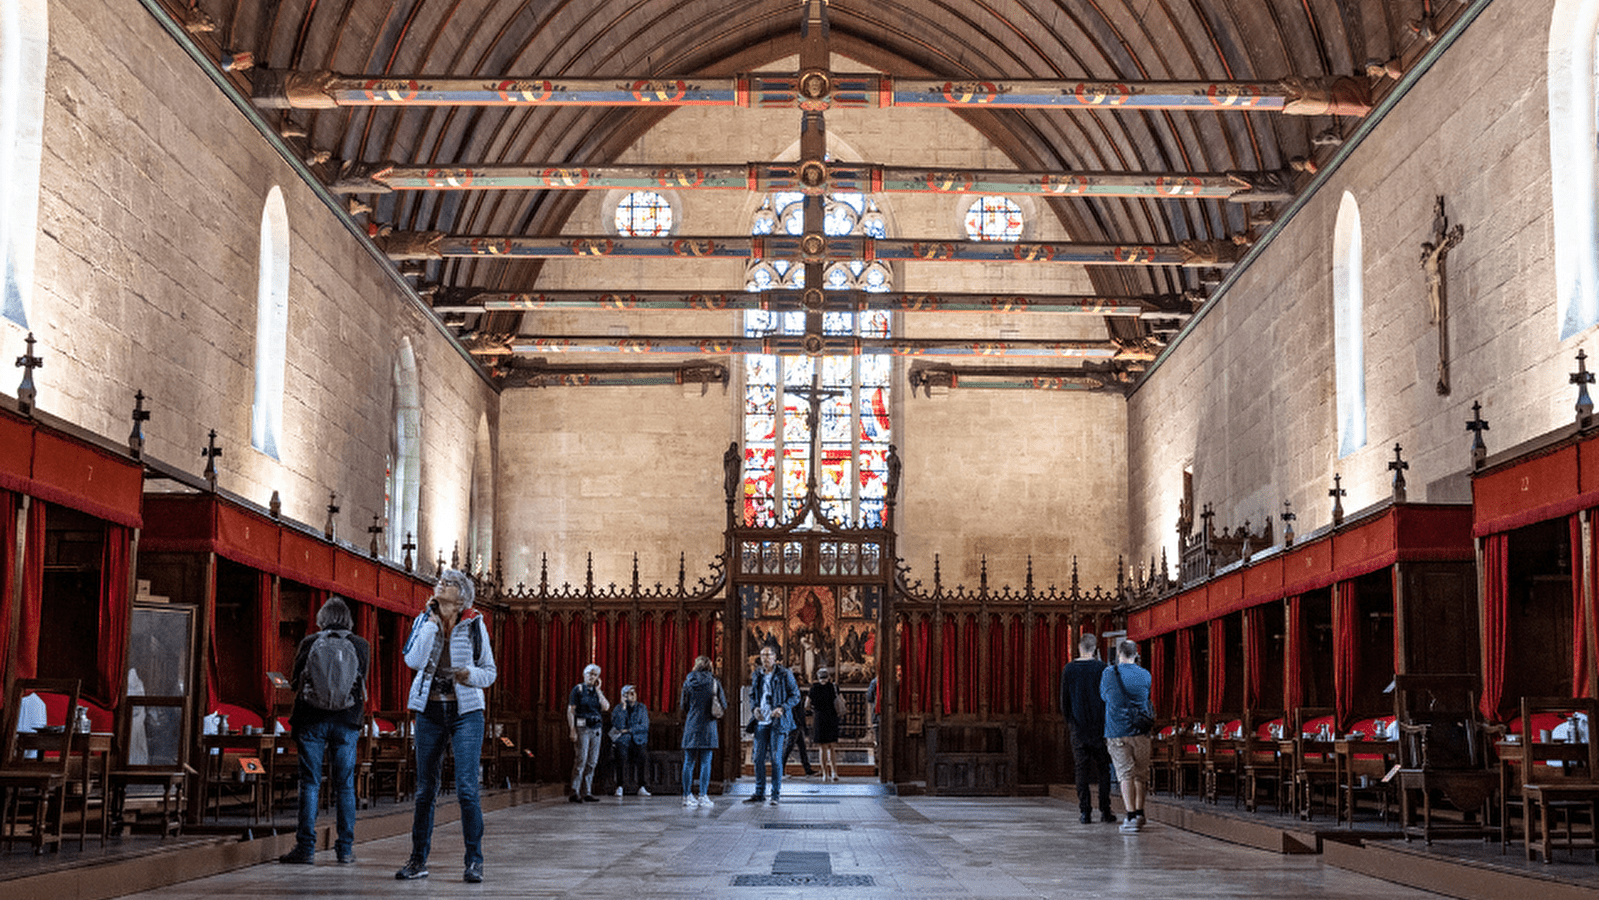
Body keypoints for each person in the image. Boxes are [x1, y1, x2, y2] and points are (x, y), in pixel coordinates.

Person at [396, 569, 497, 883]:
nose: (441, 584)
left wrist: (470, 675)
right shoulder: (423, 620)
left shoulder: (475, 624)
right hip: (429, 711)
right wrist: (432, 623)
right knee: (425, 790)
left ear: (462, 596)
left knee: (467, 789)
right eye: (440, 581)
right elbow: (412, 661)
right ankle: (417, 861)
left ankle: (474, 861)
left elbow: (489, 672)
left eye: (449, 583)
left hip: (466, 712)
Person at [279, 596, 370, 865]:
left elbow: (295, 681)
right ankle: (345, 849)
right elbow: (361, 682)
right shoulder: (361, 645)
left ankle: (306, 848)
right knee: (345, 785)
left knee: (310, 783)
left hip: (311, 719)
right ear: (348, 620)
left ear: (322, 618)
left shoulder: (309, 642)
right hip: (347, 721)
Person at [1060, 632, 1116, 825]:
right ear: (1095, 649)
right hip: (1100, 728)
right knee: (1103, 770)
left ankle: (1085, 812)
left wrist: (1071, 723)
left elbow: (1064, 701)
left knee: (1081, 771)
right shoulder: (1102, 668)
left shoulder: (1069, 669)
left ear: (1079, 648)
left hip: (1078, 728)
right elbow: (1109, 699)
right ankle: (1105, 810)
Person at [1100, 639, 1154, 834]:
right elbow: (1145, 697)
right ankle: (1140, 813)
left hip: (1117, 731)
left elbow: (1105, 697)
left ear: (1118, 653)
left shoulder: (1109, 673)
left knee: (1125, 774)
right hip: (1141, 731)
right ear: (1136, 655)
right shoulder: (1145, 674)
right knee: (1141, 774)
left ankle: (1130, 816)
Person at [745, 645, 799, 805]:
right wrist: (754, 708)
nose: (765, 658)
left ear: (775, 657)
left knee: (776, 758)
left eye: (768, 655)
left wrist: (782, 708)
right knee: (757, 758)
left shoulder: (785, 674)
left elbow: (795, 695)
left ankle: (775, 794)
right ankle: (759, 792)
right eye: (763, 655)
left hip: (778, 721)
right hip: (761, 720)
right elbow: (752, 695)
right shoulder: (757, 674)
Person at [679, 656, 725, 807]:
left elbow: (683, 705)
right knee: (706, 762)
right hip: (708, 725)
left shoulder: (688, 682)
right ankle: (703, 796)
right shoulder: (714, 682)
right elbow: (723, 704)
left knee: (688, 762)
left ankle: (687, 796)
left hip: (692, 724)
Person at [567, 664, 609, 802]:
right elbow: (571, 711)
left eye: (595, 675)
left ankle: (587, 792)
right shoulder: (578, 689)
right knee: (581, 759)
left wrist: (599, 690)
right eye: (590, 673)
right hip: (582, 727)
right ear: (584, 674)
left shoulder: (597, 692)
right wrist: (572, 729)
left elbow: (606, 707)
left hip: (596, 728)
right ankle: (575, 791)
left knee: (592, 761)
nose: (592, 677)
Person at [610, 685, 651, 797]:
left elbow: (644, 726)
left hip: (638, 739)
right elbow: (618, 726)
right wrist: (623, 707)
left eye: (634, 693)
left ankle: (642, 786)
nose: (632, 695)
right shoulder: (618, 709)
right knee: (621, 755)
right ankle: (620, 786)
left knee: (642, 754)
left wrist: (628, 730)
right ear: (624, 696)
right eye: (629, 693)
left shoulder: (641, 707)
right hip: (623, 740)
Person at [809, 666, 842, 781]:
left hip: (819, 718)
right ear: (828, 677)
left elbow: (806, 704)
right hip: (831, 718)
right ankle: (834, 773)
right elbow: (841, 701)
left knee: (822, 748)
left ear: (818, 677)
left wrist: (814, 709)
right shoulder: (833, 687)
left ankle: (825, 774)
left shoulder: (814, 688)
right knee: (832, 747)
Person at [781, 683, 817, 777]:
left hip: (797, 724)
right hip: (794, 724)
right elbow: (794, 710)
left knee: (802, 748)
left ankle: (807, 769)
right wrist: (798, 722)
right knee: (789, 747)